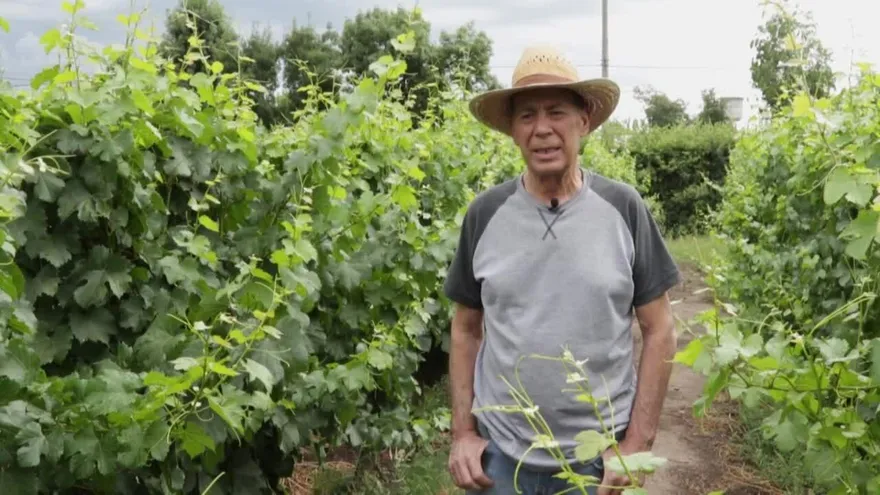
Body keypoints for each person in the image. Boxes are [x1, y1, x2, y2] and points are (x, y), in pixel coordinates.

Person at [443, 45, 680, 495]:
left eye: (556, 112)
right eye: (527, 116)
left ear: (584, 120)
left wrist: (636, 443)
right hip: (501, 463)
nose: (542, 129)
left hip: (599, 466)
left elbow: (661, 329)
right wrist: (463, 434)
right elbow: (466, 329)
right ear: (513, 130)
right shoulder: (485, 214)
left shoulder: (623, 208)